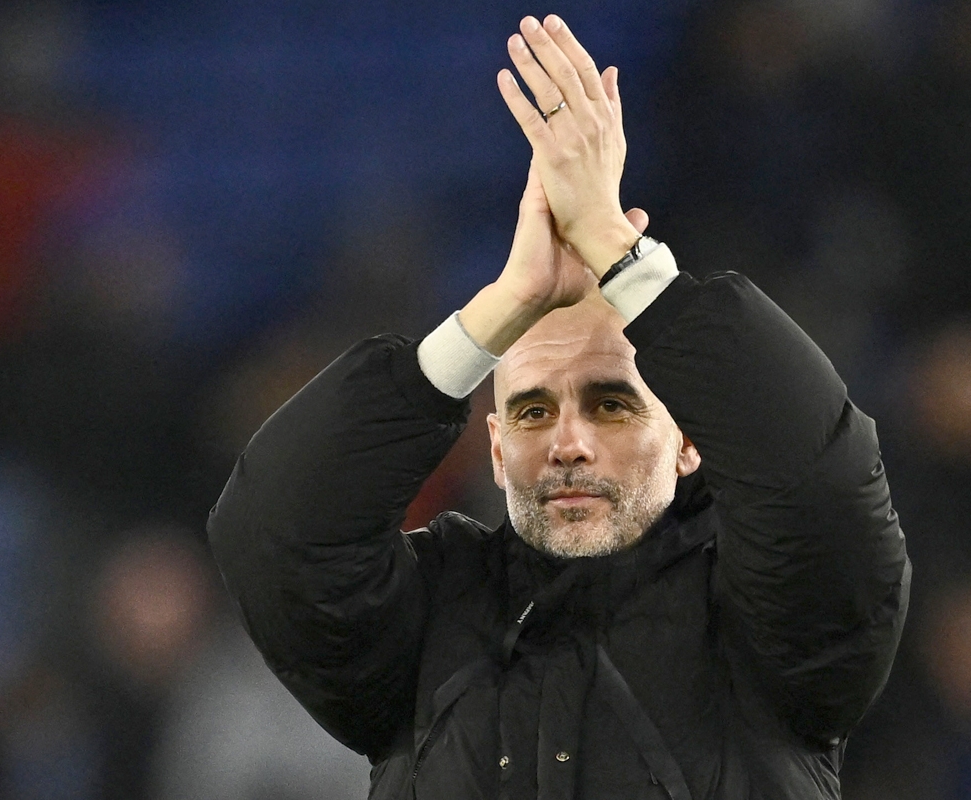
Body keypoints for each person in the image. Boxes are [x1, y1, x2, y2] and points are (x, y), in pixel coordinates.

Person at [207, 14, 910, 800]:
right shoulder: (425, 623)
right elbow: (274, 535)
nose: (568, 442)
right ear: (496, 448)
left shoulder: (771, 633)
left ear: (689, 442)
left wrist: (621, 254)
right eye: (533, 412)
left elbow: (820, 486)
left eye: (611, 405)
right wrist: (502, 307)